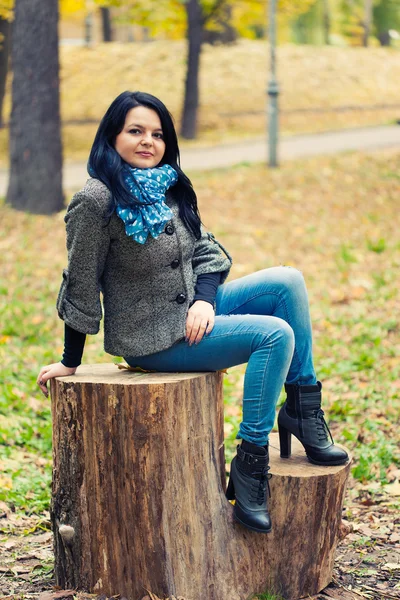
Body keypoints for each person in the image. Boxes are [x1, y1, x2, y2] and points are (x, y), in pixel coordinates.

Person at [37, 90, 348, 535]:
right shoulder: (96, 200)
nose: (148, 141)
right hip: (155, 340)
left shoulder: (167, 184)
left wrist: (205, 299)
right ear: (111, 137)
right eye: (136, 131)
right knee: (274, 334)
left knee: (288, 281)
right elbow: (81, 281)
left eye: (158, 134)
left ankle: (302, 409)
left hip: (191, 310)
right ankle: (251, 462)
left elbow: (205, 249)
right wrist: (71, 361)